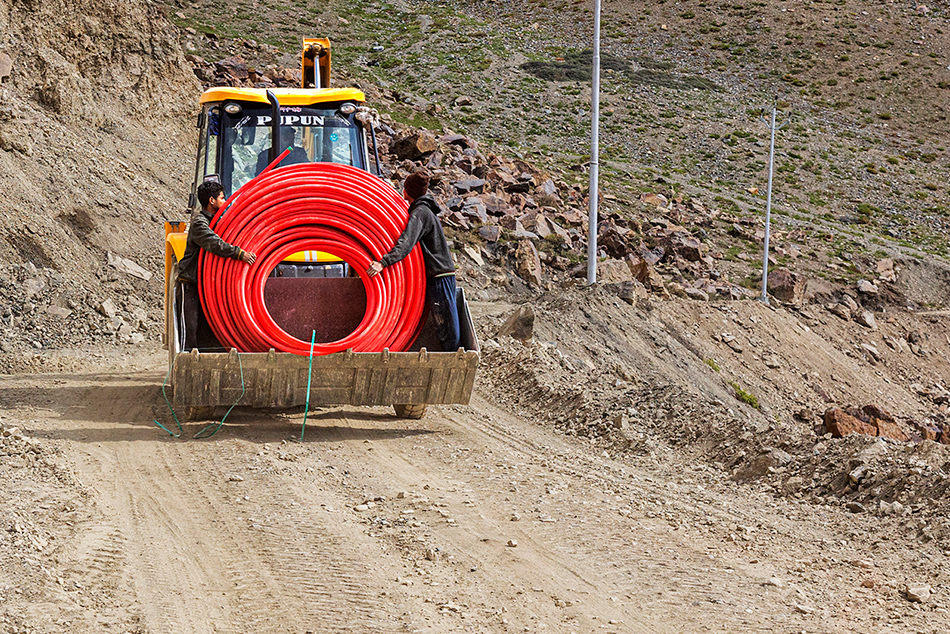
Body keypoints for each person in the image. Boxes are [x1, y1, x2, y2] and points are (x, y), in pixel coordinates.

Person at [367, 171, 460, 352]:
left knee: (447, 325)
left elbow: (406, 242)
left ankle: (454, 361)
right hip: (439, 275)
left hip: (440, 276)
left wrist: (383, 262)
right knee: (444, 323)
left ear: (406, 191)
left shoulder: (421, 213)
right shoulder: (424, 211)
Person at [176, 181, 256, 350]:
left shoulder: (218, 222)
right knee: (190, 330)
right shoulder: (200, 223)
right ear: (211, 201)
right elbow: (215, 244)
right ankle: (185, 367)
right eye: (221, 198)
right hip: (190, 283)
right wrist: (240, 253)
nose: (225, 201)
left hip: (206, 286)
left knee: (208, 333)